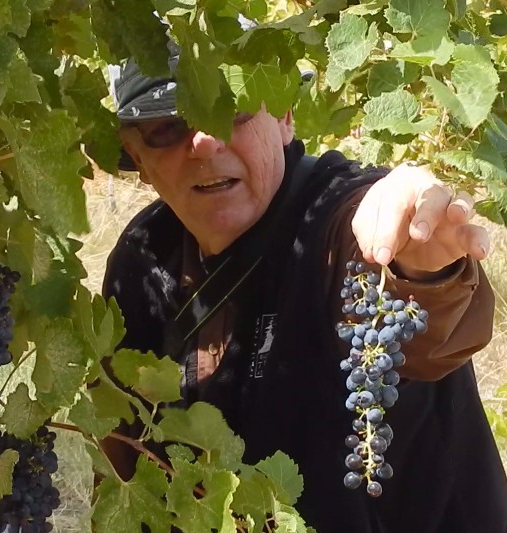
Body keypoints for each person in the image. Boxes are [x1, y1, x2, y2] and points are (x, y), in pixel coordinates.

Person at [99, 48, 507, 533]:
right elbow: (123, 451)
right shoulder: (142, 257)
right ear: (139, 158)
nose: (206, 142)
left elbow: (400, 301)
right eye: (167, 126)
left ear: (285, 116)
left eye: (235, 107)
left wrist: (415, 268)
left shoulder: (332, 213)